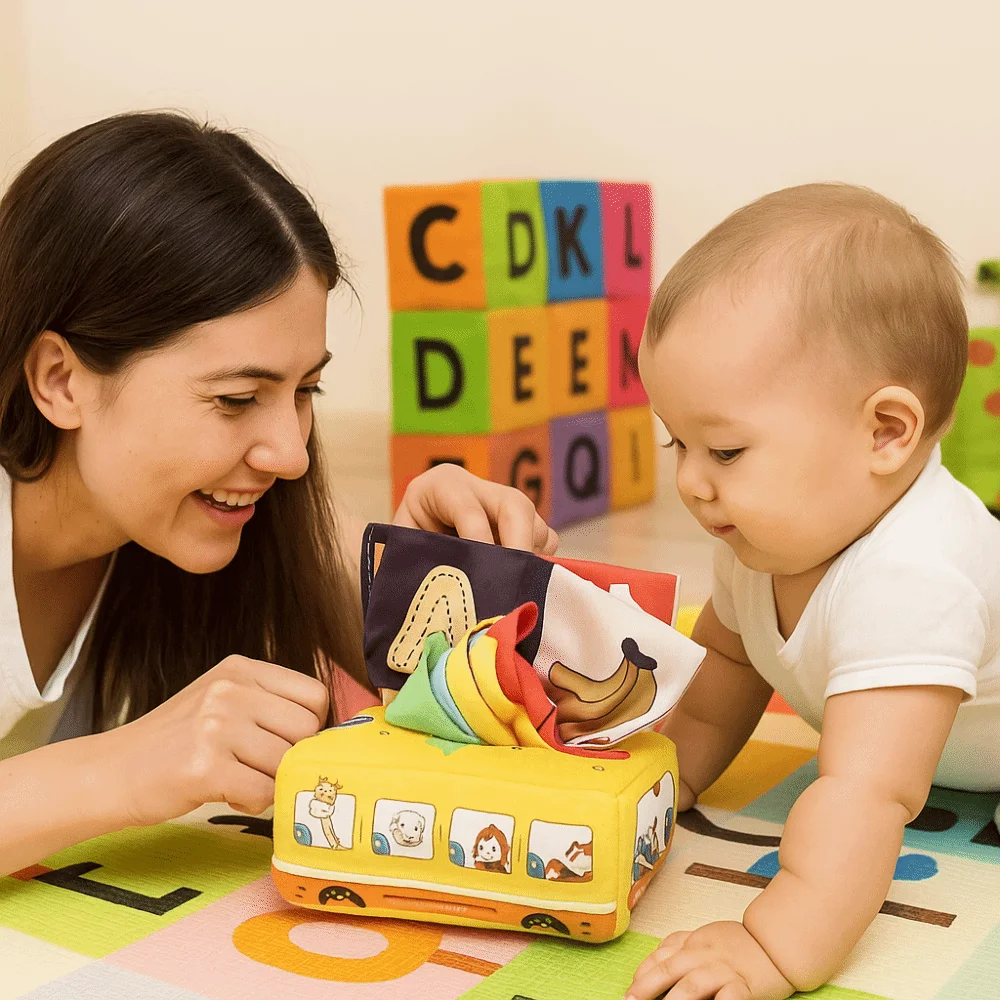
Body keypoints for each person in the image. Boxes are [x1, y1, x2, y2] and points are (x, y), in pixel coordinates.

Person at [0, 112, 556, 878]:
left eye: (306, 390)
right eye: (234, 399)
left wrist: (429, 570)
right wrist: (121, 768)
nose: (291, 456)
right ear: (61, 380)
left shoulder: (204, 510)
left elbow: (539, 685)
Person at [625, 183, 1000, 1000]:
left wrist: (774, 946)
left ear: (886, 433)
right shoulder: (765, 535)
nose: (689, 480)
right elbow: (726, 670)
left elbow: (869, 794)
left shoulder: (914, 573)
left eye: (724, 450)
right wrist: (663, 783)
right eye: (677, 440)